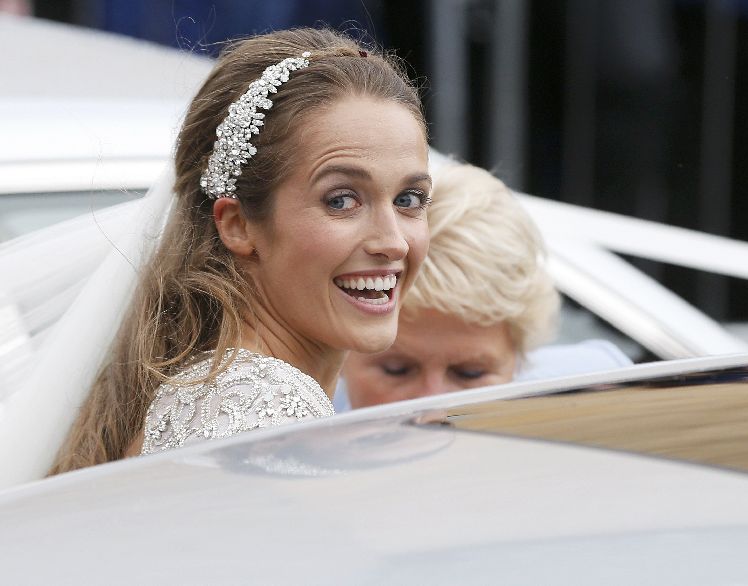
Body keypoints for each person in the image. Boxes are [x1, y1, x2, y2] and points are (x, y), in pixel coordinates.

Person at [43, 28, 431, 474]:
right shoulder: (262, 409)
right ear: (238, 224)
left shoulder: (215, 389)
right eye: (341, 200)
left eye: (409, 199)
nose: (393, 242)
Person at [337, 162, 630, 409]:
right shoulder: (309, 427)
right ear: (341, 354)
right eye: (397, 370)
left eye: (470, 374)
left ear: (518, 360)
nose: (432, 408)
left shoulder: (603, 396)